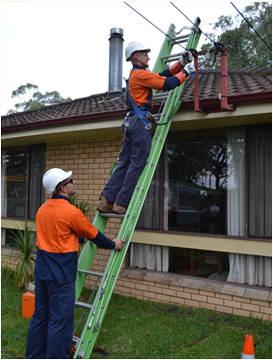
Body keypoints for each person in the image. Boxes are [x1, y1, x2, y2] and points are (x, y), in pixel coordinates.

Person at [25, 168, 125, 359]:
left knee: (40, 317)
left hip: (42, 271)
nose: (74, 183)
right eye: (70, 181)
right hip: (61, 275)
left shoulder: (42, 209)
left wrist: (77, 238)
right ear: (62, 187)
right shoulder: (72, 212)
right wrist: (114, 244)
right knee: (60, 322)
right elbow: (95, 236)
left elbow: (58, 232)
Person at [97, 41, 195, 215]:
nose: (149, 57)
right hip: (139, 124)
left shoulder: (137, 75)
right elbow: (168, 83)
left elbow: (161, 76)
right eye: (145, 54)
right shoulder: (140, 75)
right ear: (137, 56)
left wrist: (180, 64)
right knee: (137, 163)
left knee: (124, 163)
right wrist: (186, 73)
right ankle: (121, 203)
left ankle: (107, 200)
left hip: (130, 123)